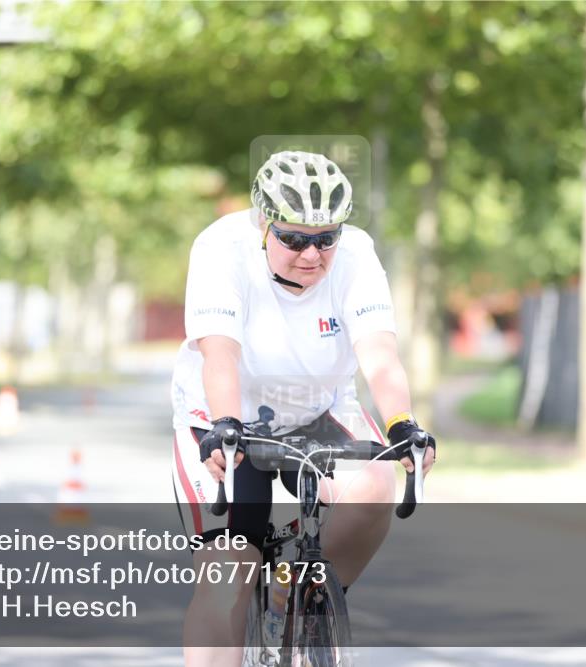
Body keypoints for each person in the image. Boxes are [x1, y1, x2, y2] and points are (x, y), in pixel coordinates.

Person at [170, 150, 437, 666]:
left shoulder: (358, 254)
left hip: (318, 409)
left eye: (325, 238)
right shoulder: (221, 249)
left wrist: (402, 423)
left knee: (377, 483)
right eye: (294, 238)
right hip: (222, 416)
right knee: (227, 583)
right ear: (263, 225)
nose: (312, 254)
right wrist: (226, 423)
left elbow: (379, 355)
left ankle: (303, 602)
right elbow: (220, 354)